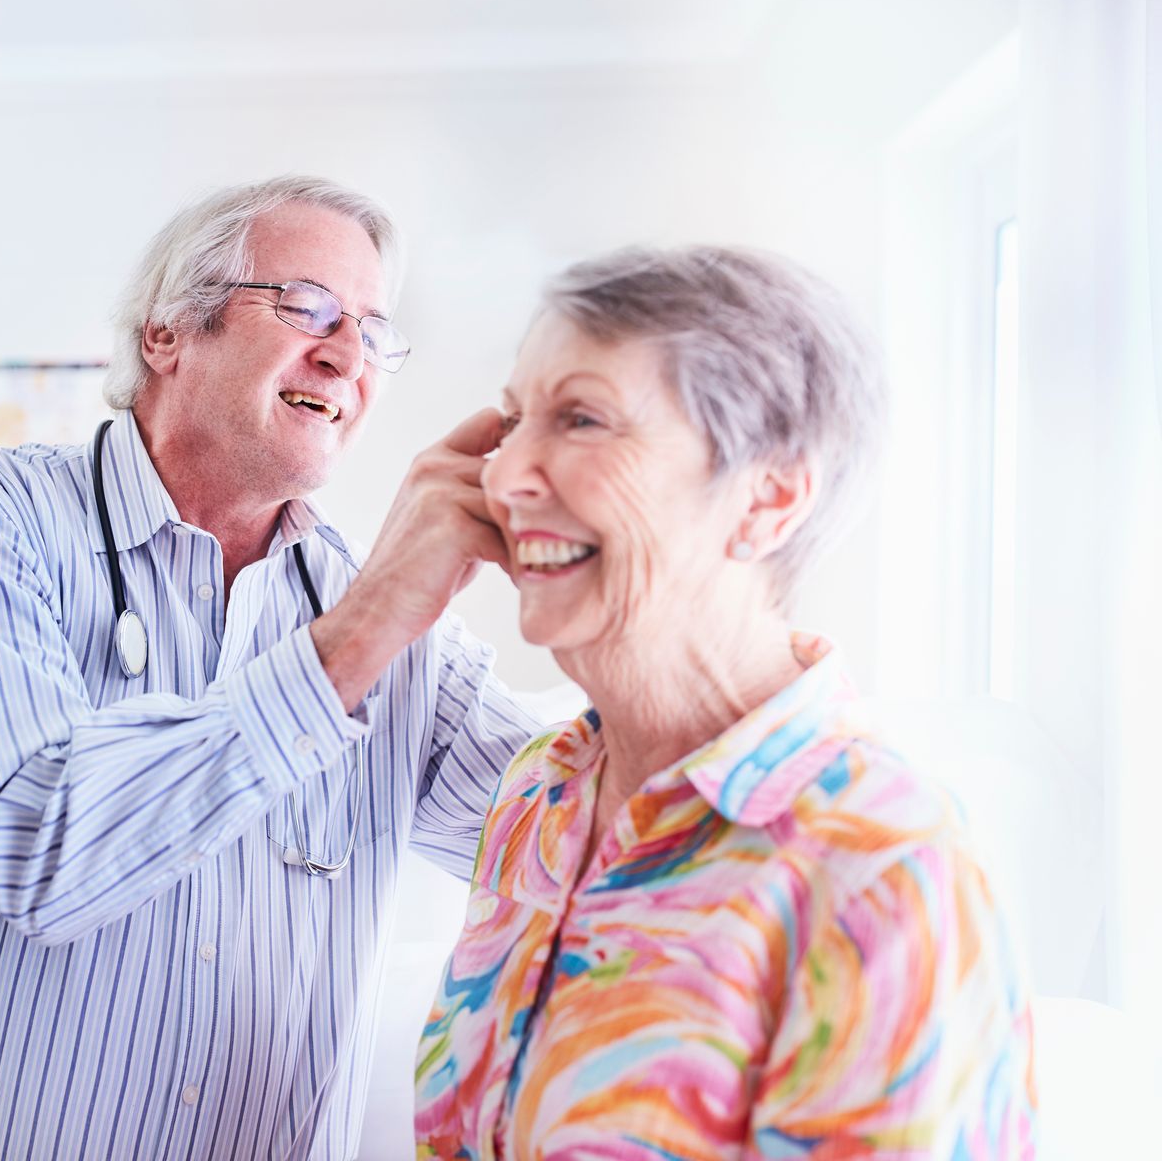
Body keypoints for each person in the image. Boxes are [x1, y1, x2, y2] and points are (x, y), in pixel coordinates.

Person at [0, 176, 539, 1160]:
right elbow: (40, 845)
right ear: (166, 333)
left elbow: (575, 836)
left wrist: (638, 585)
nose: (348, 352)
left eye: (372, 330)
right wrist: (357, 637)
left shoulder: (388, 615)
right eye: (307, 305)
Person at [415, 247, 1036, 1158]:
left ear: (769, 498)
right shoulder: (536, 796)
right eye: (514, 422)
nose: (502, 476)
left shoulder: (882, 868)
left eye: (581, 419)